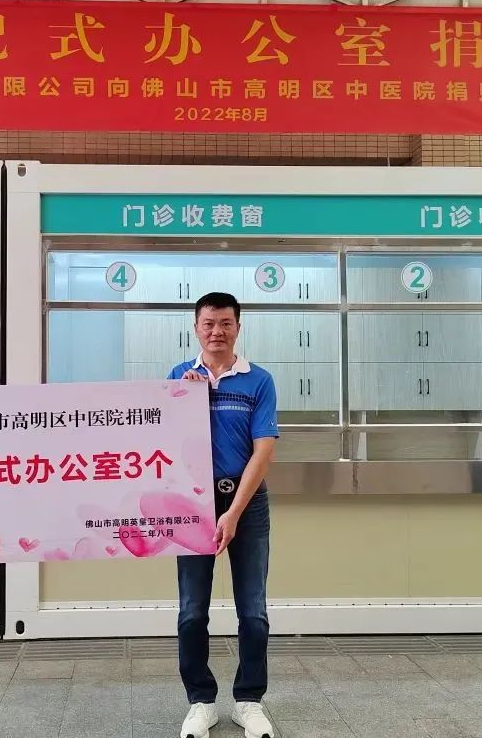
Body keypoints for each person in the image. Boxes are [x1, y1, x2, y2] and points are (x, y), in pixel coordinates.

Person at [168, 292, 278, 738]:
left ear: (238, 328)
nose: (217, 331)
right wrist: (184, 398)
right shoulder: (179, 376)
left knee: (253, 610)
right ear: (196, 328)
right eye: (209, 324)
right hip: (192, 505)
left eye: (226, 323)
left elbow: (263, 450)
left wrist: (232, 513)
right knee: (192, 610)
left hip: (247, 504)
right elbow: (165, 444)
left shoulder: (259, 380)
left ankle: (249, 700)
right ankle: (201, 701)